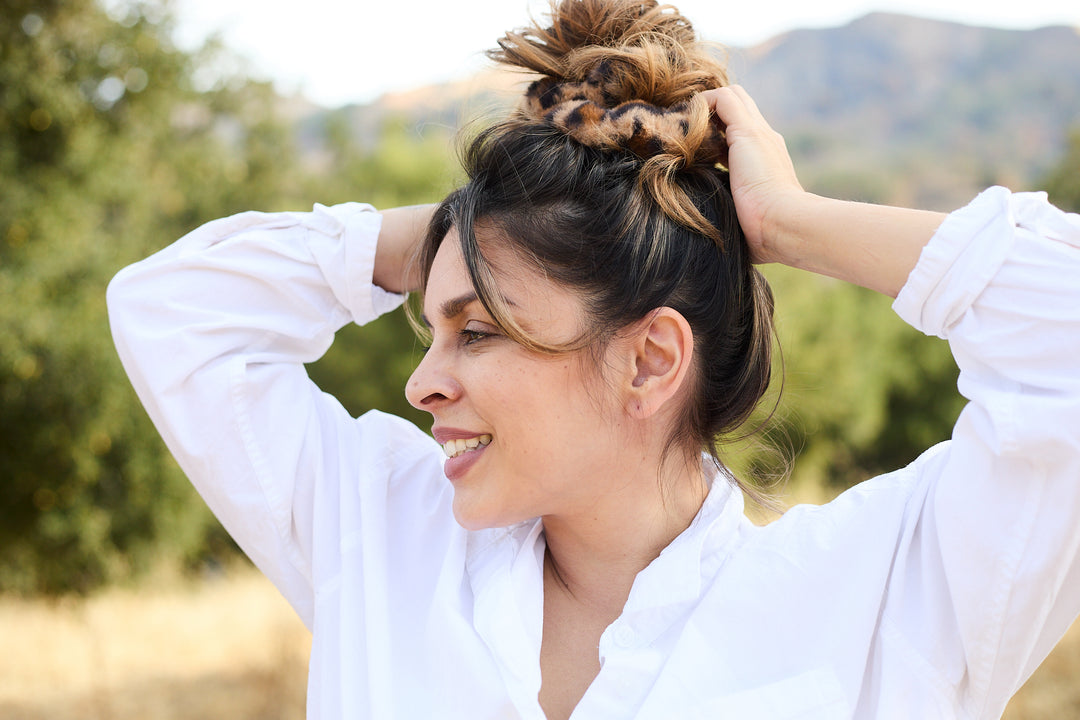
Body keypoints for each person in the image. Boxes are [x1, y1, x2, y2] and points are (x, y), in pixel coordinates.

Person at [106, 0, 1080, 717]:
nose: (420, 383)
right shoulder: (383, 537)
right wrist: (470, 230)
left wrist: (785, 223)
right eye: (429, 324)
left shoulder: (884, 599)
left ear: (652, 361)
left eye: (478, 330)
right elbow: (172, 311)